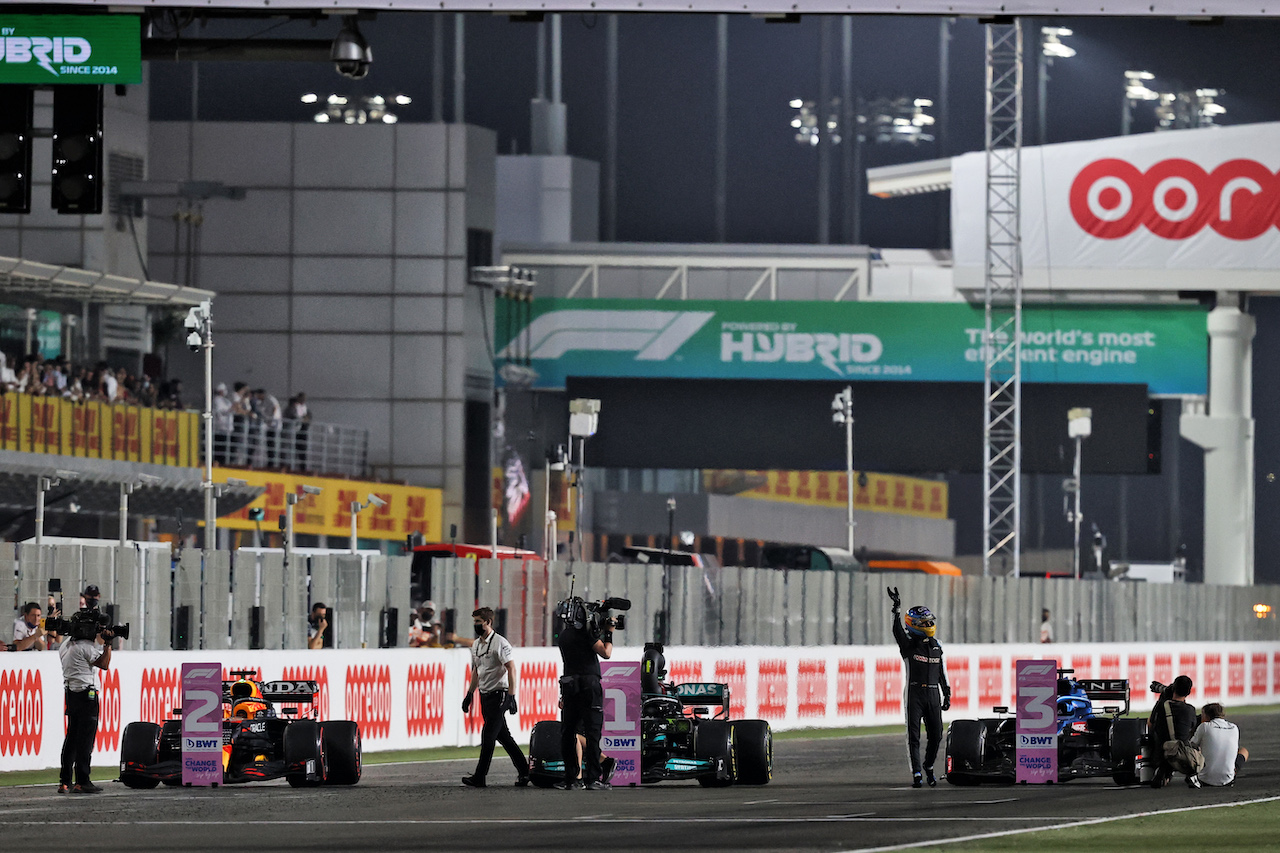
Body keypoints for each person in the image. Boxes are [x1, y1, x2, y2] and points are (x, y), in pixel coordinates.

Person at [888, 586, 951, 788]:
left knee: (938, 735)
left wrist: (947, 693)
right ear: (914, 624)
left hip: (933, 693)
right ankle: (917, 773)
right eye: (925, 622)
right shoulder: (908, 645)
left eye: (930, 621)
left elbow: (942, 672)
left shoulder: (937, 645)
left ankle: (929, 766)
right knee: (913, 736)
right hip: (914, 693)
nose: (930, 624)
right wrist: (896, 611)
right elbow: (897, 632)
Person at [461, 607, 528, 788]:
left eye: (478, 622)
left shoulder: (500, 643)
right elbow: (477, 670)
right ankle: (525, 771)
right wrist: (469, 694)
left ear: (488, 622)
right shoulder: (476, 645)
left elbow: (511, 668)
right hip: (485, 695)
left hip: (499, 694)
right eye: (474, 622)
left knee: (488, 736)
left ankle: (480, 776)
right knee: (504, 737)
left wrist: (512, 696)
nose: (475, 625)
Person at [556, 597, 614, 791]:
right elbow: (606, 653)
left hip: (570, 685)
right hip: (589, 686)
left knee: (568, 732)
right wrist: (609, 633)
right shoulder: (588, 635)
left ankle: (571, 778)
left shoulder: (563, 636)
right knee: (592, 732)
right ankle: (592, 779)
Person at [58, 607, 115, 793]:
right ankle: (83, 780)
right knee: (85, 741)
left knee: (72, 738)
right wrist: (108, 643)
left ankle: (65, 780)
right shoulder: (85, 648)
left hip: (71, 694)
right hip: (87, 696)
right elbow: (105, 664)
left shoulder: (65, 645)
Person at [1149, 675, 1202, 788]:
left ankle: (1163, 771)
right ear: (1188, 692)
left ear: (1173, 688)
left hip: (1161, 751)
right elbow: (1192, 730)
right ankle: (1192, 773)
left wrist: (1162, 699)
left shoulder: (1162, 706)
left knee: (1159, 739)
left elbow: (1150, 724)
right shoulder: (1190, 710)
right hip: (1184, 753)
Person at [1191, 703, 1248, 787]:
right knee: (1243, 751)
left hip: (1204, 779)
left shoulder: (1204, 726)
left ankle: (1192, 775)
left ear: (1206, 715)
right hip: (1228, 779)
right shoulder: (1234, 727)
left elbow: (1191, 745)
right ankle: (1233, 771)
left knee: (1193, 751)